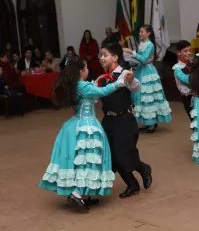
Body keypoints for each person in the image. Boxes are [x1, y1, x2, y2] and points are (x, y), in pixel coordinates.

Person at [39, 56, 132, 211]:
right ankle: (77, 193)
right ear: (81, 72)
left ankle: (83, 194)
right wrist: (120, 82)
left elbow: (90, 95)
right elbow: (103, 91)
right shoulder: (83, 87)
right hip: (87, 125)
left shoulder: (75, 86)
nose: (88, 70)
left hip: (75, 124)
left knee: (81, 161)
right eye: (87, 68)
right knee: (89, 160)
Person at [98, 43, 152, 198]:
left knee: (123, 153)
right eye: (101, 55)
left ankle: (143, 168)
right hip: (108, 121)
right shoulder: (101, 79)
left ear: (115, 58)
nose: (102, 58)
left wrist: (131, 79)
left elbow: (135, 86)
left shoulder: (124, 73)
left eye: (105, 54)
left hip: (124, 119)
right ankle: (132, 184)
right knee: (112, 156)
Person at [123, 24, 172, 133]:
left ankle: (153, 122)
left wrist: (132, 52)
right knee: (142, 96)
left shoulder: (150, 45)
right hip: (141, 70)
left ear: (148, 33)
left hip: (148, 72)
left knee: (149, 96)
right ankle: (147, 121)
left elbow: (144, 59)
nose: (140, 33)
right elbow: (140, 59)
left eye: (142, 32)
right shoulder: (142, 43)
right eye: (140, 32)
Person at [173, 40, 193, 120]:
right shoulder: (177, 68)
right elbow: (182, 87)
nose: (188, 53)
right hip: (188, 97)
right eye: (185, 51)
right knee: (195, 122)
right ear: (178, 52)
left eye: (189, 50)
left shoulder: (193, 62)